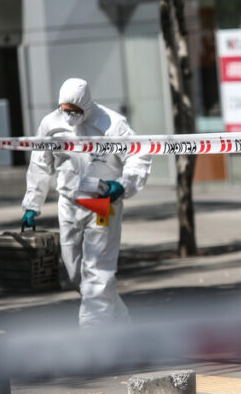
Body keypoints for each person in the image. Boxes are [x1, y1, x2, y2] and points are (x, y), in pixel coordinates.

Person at [21, 78, 151, 328]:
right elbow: (39, 164)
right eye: (65, 110)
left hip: (101, 204)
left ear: (86, 106)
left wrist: (124, 184)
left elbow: (139, 154)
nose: (69, 116)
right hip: (69, 203)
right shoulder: (51, 125)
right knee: (75, 273)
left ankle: (94, 340)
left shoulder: (110, 124)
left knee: (97, 272)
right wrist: (31, 204)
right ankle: (123, 324)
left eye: (75, 111)